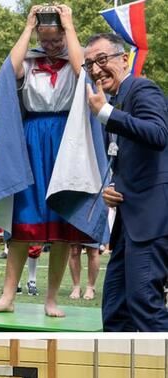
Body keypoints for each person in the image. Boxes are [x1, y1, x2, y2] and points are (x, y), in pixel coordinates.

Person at [0, 4, 104, 319]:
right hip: (31, 139)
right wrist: (27, 27)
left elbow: (83, 72)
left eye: (56, 39)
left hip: (66, 139)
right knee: (22, 222)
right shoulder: (29, 59)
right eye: (44, 39)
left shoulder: (75, 58)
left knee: (62, 222)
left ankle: (51, 300)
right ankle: (8, 296)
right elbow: (8, 72)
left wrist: (69, 26)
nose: (49, 45)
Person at [85, 32, 168, 331]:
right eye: (89, 65)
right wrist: (113, 188)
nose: (96, 70)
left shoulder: (142, 89)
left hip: (152, 220)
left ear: (124, 59)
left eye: (101, 60)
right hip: (128, 225)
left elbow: (158, 134)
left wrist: (105, 113)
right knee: (116, 309)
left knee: (145, 304)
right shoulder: (115, 103)